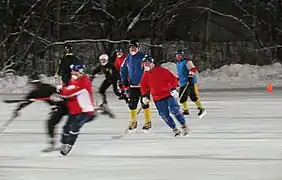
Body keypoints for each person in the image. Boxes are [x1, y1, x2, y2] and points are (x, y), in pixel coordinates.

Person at [11, 72, 68, 152]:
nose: (32, 86)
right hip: (63, 107)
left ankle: (57, 144)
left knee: (51, 123)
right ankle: (61, 143)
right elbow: (27, 100)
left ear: (36, 83)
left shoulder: (39, 91)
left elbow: (26, 101)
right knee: (53, 123)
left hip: (61, 107)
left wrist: (17, 109)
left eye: (32, 84)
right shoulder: (46, 88)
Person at [140, 55, 189, 137]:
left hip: (168, 95)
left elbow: (172, 79)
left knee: (175, 110)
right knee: (164, 115)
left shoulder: (161, 71)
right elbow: (143, 86)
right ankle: (174, 129)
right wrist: (145, 96)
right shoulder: (145, 74)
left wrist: (173, 89)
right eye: (144, 64)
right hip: (157, 98)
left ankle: (184, 126)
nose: (145, 65)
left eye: (147, 63)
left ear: (152, 63)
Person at [56, 64, 95, 156]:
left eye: (74, 71)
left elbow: (67, 92)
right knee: (66, 127)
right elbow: (68, 90)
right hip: (75, 109)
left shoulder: (82, 82)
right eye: (72, 71)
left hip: (86, 112)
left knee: (74, 126)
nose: (72, 73)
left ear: (80, 72)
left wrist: (60, 89)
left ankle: (68, 145)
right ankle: (63, 143)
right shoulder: (75, 79)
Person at [120, 40, 152, 132]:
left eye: (134, 47)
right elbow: (123, 69)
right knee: (132, 104)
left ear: (138, 48)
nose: (132, 49)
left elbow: (150, 69)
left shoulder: (143, 57)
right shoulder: (127, 58)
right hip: (133, 85)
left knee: (144, 103)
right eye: (131, 47)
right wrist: (124, 80)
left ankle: (148, 122)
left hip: (143, 85)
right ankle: (133, 122)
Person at [175, 49, 207, 118]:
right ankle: (185, 110)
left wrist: (190, 76)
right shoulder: (178, 63)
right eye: (177, 55)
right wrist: (176, 80)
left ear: (182, 55)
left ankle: (201, 109)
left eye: (180, 55)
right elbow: (179, 73)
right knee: (182, 98)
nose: (178, 56)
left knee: (193, 97)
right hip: (183, 82)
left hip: (190, 82)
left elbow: (193, 69)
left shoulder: (187, 61)